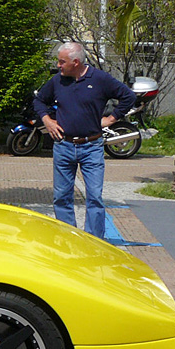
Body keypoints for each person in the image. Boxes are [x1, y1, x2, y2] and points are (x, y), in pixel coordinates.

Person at [34, 41, 135, 240]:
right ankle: (68, 238)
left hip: (92, 147)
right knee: (61, 197)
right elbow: (38, 100)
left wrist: (111, 119)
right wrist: (48, 120)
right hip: (64, 146)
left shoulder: (99, 79)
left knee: (95, 197)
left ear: (76, 62)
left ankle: (94, 240)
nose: (58, 65)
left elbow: (128, 96)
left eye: (62, 62)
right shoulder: (57, 81)